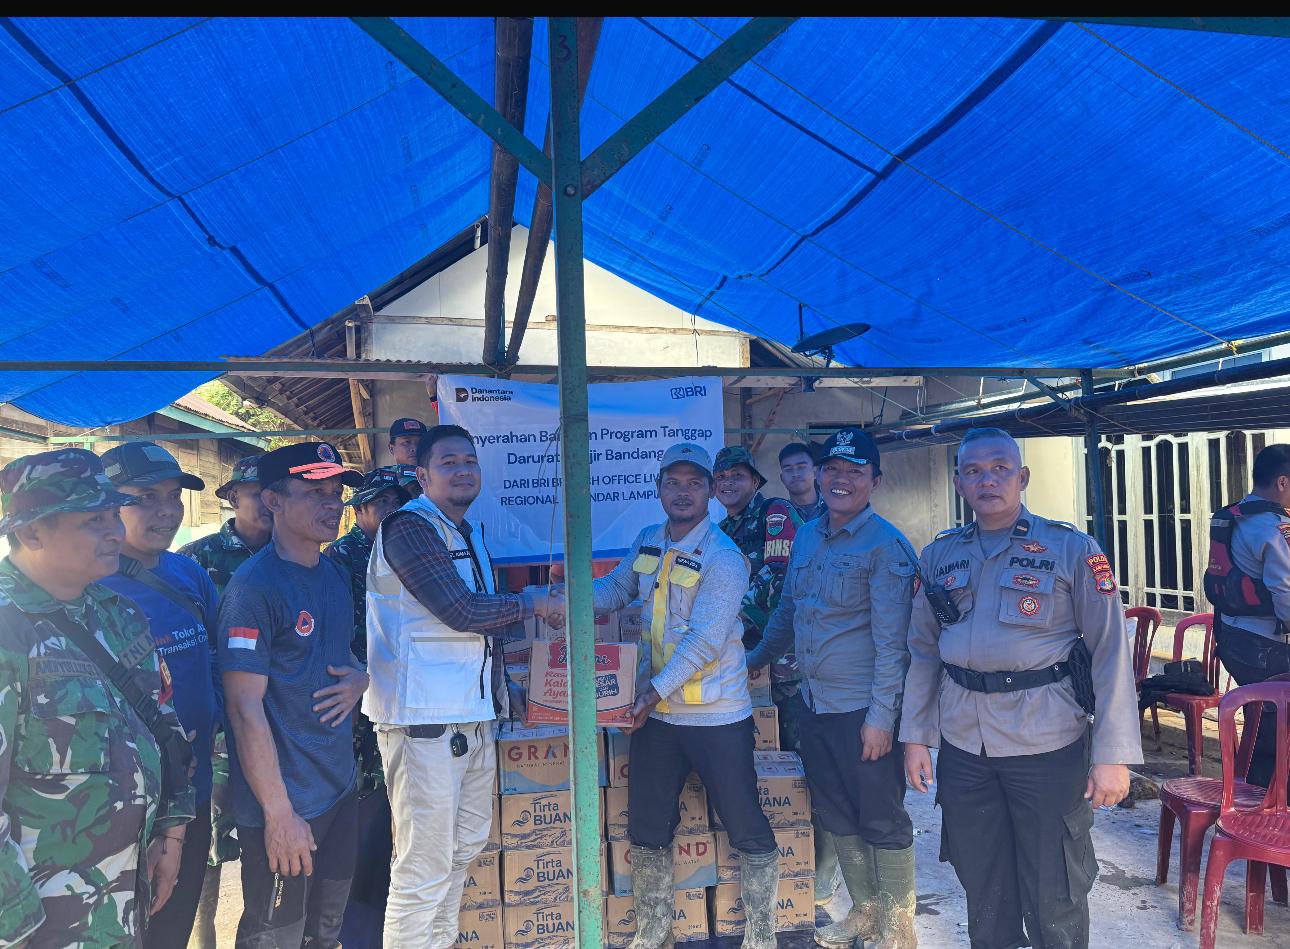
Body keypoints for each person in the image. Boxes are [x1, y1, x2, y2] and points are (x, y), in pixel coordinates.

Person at [902, 428, 1142, 949]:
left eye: (1000, 469)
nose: (987, 480)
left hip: (1046, 741)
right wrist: (916, 736)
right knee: (982, 880)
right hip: (964, 743)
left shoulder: (1070, 548)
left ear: (1022, 477)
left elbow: (1109, 652)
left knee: (1054, 887)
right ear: (959, 483)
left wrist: (1113, 755)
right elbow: (922, 650)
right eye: (973, 471)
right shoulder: (939, 555)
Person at [364, 424, 564, 948]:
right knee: (423, 866)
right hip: (423, 723)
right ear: (422, 474)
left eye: (469, 461)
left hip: (472, 718)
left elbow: (482, 632)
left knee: (463, 850)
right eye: (448, 462)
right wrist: (535, 603)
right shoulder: (408, 528)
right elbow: (463, 611)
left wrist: (502, 692)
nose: (462, 470)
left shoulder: (466, 532)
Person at [0, 448, 195, 948]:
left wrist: (171, 835)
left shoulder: (119, 615)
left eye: (113, 514)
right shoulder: (7, 630)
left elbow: (164, 728)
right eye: (94, 520)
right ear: (32, 532)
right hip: (42, 924)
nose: (114, 531)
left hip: (124, 900)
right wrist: (18, 931)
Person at [589, 443, 781, 949]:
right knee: (648, 827)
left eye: (694, 483)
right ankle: (654, 932)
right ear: (658, 488)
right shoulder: (648, 540)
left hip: (717, 716)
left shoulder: (723, 557)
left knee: (745, 823)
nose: (682, 492)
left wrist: (649, 694)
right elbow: (615, 591)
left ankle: (762, 936)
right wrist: (564, 600)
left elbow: (703, 642)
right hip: (660, 718)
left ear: (711, 491)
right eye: (673, 482)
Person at [748, 427, 918, 948]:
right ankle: (865, 912)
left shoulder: (886, 546)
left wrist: (881, 720)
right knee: (837, 811)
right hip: (813, 702)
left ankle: (898, 929)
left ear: (875, 481)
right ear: (820, 476)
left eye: (855, 471)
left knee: (882, 818)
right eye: (833, 469)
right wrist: (755, 660)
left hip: (862, 709)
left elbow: (894, 645)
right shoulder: (807, 536)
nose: (842, 479)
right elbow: (788, 611)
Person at [218, 442, 368, 949]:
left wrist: (362, 678)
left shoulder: (334, 574)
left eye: (336, 492)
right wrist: (279, 815)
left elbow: (344, 657)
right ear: (273, 500)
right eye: (315, 493)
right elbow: (243, 708)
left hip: (338, 790)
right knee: (274, 938)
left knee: (326, 933)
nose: (333, 505)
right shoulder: (253, 588)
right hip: (286, 804)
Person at [98, 442, 222, 949]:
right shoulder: (90, 587)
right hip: (119, 806)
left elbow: (216, 660)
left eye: (173, 496)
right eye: (146, 497)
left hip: (190, 792)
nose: (167, 510)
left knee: (172, 929)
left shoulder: (188, 574)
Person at [178, 452, 266, 949]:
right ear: (232, 497)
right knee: (208, 848)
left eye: (274, 493)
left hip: (273, 724)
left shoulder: (294, 557)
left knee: (266, 840)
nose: (268, 503)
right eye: (256, 494)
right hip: (216, 730)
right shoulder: (196, 560)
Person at [1207, 442, 1290, 788]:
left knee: (1266, 722)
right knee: (1277, 726)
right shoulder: (1274, 527)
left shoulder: (1234, 515)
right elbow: (1286, 595)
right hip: (1264, 648)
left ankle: (1259, 795)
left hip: (1233, 640)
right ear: (1283, 482)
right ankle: (1267, 801)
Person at [179, 454, 269, 593]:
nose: (272, 502)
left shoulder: (291, 552)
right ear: (234, 499)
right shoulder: (195, 556)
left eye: (279, 494)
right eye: (261, 495)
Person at [778, 441, 826, 523]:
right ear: (782, 478)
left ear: (815, 473)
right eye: (788, 469)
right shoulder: (778, 514)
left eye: (801, 467)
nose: (795, 474)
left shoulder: (834, 508)